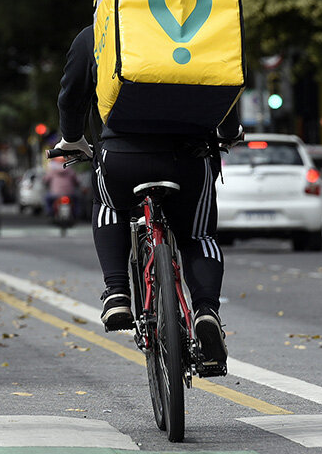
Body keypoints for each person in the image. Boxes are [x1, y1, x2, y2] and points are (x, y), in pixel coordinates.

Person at [53, 23, 240, 367]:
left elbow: (71, 96)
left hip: (122, 156)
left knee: (108, 202)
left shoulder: (98, 31)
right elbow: (225, 81)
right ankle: (206, 312)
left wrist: (72, 137)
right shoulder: (201, 26)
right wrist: (228, 133)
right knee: (198, 235)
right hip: (189, 156)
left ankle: (118, 294)